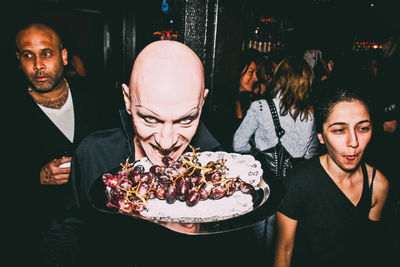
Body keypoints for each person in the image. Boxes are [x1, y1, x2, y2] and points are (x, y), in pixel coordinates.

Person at [43, 40, 268, 267]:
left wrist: (201, 234)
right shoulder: (94, 153)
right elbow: (66, 231)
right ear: (128, 100)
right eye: (150, 118)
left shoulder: (219, 173)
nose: (166, 141)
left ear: (203, 102)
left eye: (186, 119)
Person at [12, 22, 114, 265]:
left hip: (100, 238)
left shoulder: (97, 98)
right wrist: (34, 178)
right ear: (19, 60)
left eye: (46, 53)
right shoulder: (10, 112)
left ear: (63, 56)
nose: (38, 65)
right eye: (28, 56)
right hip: (36, 240)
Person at [273, 87, 391, 267]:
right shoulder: (297, 183)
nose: (354, 142)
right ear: (321, 136)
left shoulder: (378, 185)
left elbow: (370, 249)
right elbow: (284, 250)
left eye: (363, 128)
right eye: (339, 130)